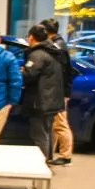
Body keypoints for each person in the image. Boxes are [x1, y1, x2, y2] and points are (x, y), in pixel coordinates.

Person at [21, 24, 66, 162]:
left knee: (39, 135)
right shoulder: (53, 51)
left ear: (31, 37)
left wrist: (22, 71)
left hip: (40, 101)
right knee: (46, 133)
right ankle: (47, 159)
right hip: (51, 100)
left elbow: (29, 75)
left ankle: (42, 166)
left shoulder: (37, 54)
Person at [43, 18, 74, 166]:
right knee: (55, 125)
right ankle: (51, 154)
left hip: (59, 92)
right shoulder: (59, 44)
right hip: (59, 90)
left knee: (60, 123)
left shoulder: (57, 47)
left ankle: (66, 155)